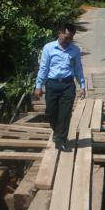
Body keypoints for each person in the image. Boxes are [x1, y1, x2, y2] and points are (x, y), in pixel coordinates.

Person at [34, 23, 86, 152]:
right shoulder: (48, 48)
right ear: (59, 33)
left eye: (71, 38)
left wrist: (83, 85)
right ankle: (57, 132)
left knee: (65, 113)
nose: (68, 40)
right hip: (52, 84)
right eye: (66, 37)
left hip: (68, 85)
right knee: (51, 113)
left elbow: (78, 69)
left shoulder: (74, 50)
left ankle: (61, 140)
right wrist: (38, 86)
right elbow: (44, 68)